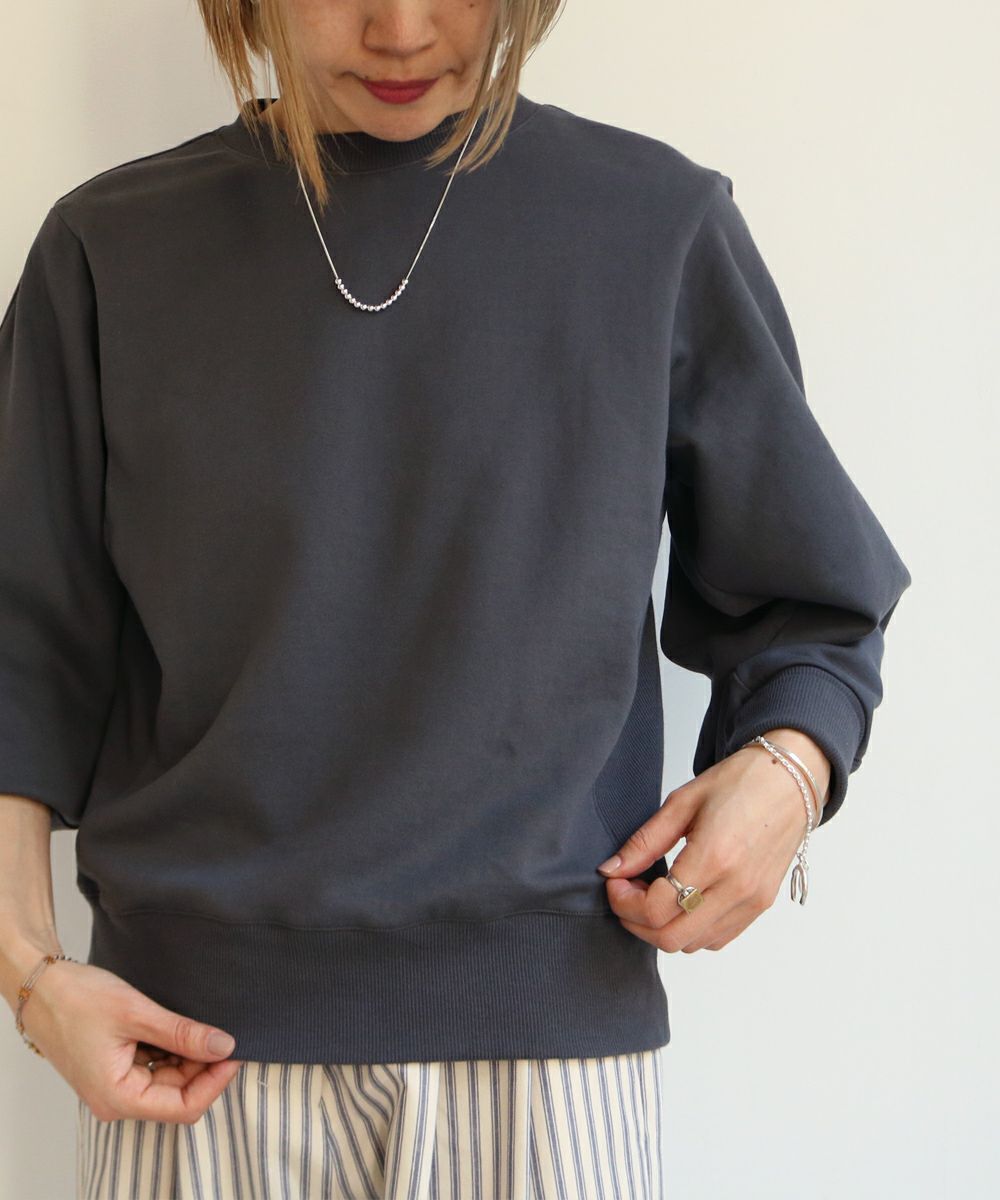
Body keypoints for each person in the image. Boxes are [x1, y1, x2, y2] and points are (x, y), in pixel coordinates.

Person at [0, 1, 912, 1196]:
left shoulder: (652, 226)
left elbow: (813, 603)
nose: (400, 28)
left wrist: (786, 772)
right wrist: (32, 978)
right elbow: (21, 648)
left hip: (547, 1063)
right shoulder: (111, 247)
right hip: (186, 1053)